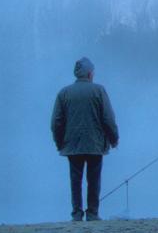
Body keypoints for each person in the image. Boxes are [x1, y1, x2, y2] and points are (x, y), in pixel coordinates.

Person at [50, 56, 119, 221]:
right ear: (89, 74)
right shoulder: (99, 90)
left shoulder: (64, 93)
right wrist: (114, 139)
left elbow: (56, 123)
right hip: (95, 144)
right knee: (93, 180)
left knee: (75, 180)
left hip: (72, 145)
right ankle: (93, 213)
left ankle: (76, 213)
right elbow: (108, 118)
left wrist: (59, 143)